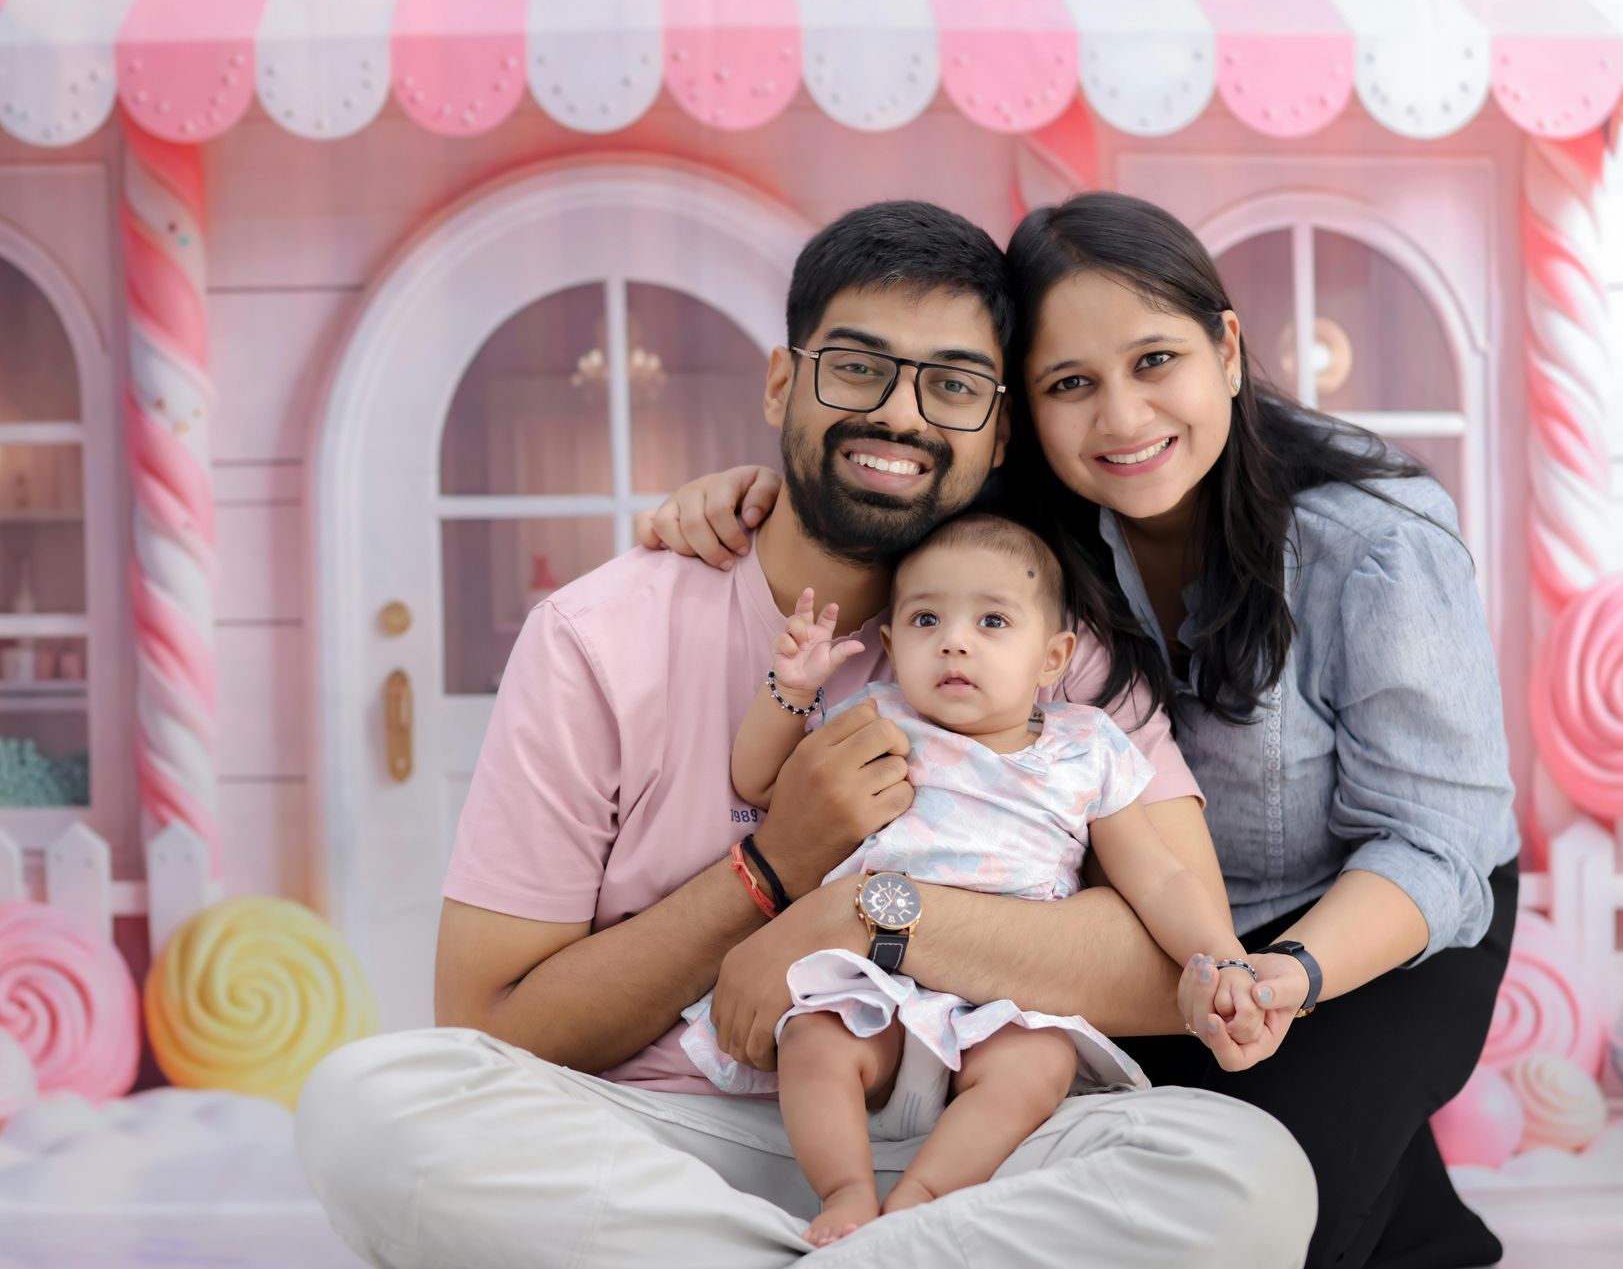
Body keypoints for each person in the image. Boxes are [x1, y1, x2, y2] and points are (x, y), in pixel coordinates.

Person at [293, 199, 1317, 1269]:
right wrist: (769, 870)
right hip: (665, 1143)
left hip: (978, 1132)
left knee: (1248, 1175)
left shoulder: (1053, 643)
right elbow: (494, 1027)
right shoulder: (600, 639)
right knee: (371, 1107)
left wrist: (857, 918)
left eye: (955, 386)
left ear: (999, 430)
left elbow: (1171, 969)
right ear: (784, 383)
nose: (903, 417)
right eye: (859, 368)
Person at [637, 190, 1520, 1269]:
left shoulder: (1374, 544)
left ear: (1227, 350)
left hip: (1369, 927)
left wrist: (1285, 972)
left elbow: (1436, 844)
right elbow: (873, 490)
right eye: (1071, 385)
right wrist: (740, 495)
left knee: (1270, 1212)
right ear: (1024, 409)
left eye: (1156, 362)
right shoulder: (1030, 526)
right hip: (1148, 942)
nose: (1122, 421)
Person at [684, 516, 1268, 1245]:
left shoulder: (1087, 747)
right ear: (892, 646)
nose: (955, 640)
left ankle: (923, 1199)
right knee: (814, 1040)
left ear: (1052, 656)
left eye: (993, 620)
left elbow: (1158, 878)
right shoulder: (878, 719)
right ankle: (845, 1191)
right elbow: (759, 779)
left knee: (1040, 1065)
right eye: (927, 618)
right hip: (875, 983)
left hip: (1005, 992)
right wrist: (790, 689)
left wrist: (1223, 958)